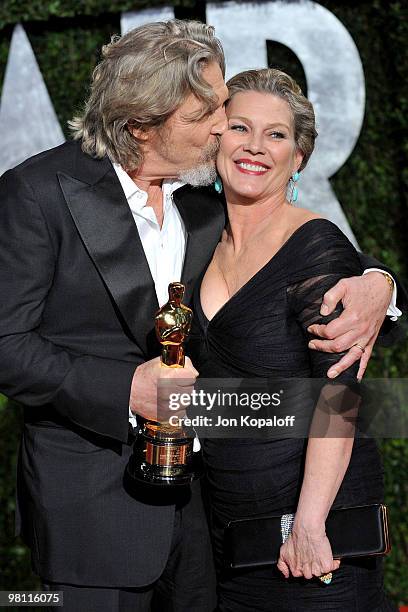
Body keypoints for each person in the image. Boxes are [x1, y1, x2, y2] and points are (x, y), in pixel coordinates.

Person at [0, 20, 402, 612]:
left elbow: (296, 250)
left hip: (202, 521)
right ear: (141, 124)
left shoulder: (198, 205)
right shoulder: (37, 193)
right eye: (206, 114)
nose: (223, 126)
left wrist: (379, 283)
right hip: (93, 513)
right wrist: (125, 388)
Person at [190, 68, 401, 611]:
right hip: (228, 532)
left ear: (299, 157)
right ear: (216, 137)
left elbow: (339, 395)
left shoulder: (315, 246)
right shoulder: (195, 239)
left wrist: (308, 522)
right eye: (240, 127)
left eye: (277, 134)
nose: (255, 147)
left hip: (311, 535)